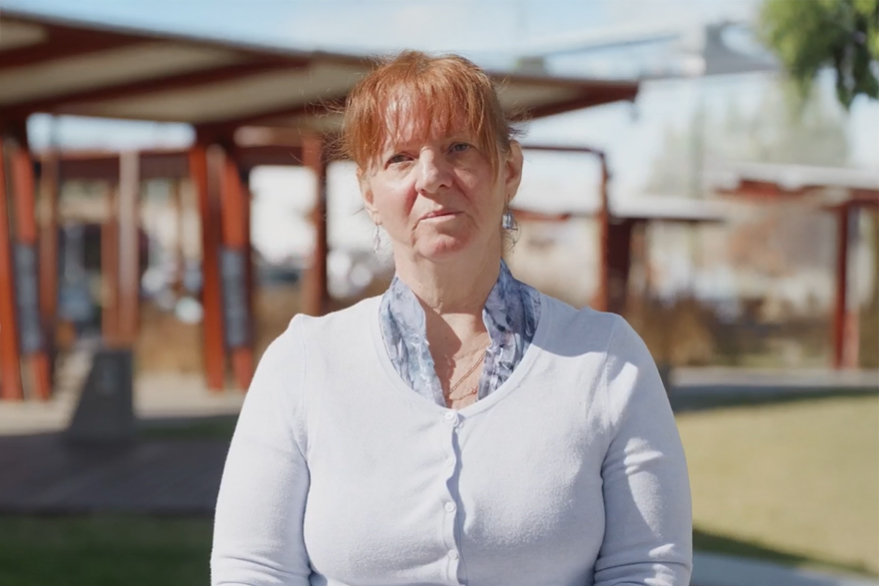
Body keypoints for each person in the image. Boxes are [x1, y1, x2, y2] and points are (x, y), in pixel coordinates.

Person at [211, 51, 692, 586]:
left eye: (458, 148)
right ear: (369, 194)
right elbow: (251, 569)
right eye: (400, 158)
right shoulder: (302, 363)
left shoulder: (605, 361)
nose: (432, 177)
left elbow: (647, 568)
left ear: (508, 170)